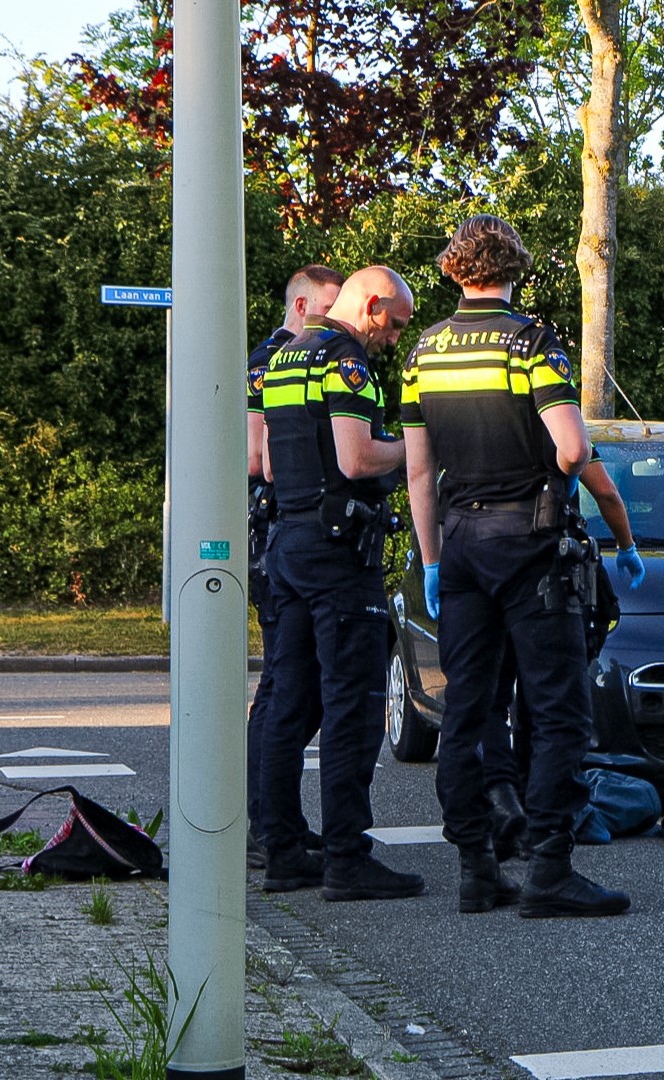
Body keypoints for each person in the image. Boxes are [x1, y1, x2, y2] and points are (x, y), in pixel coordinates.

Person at [403, 214, 630, 918]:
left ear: (452, 270)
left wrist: (435, 560)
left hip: (461, 543)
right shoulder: (532, 342)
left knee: (469, 708)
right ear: (515, 268)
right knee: (559, 711)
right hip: (530, 547)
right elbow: (569, 448)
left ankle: (476, 869)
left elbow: (417, 470)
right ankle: (550, 870)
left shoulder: (424, 350)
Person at [258, 265, 424, 902]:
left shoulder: (284, 356)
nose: (393, 340)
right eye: (395, 325)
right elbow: (357, 459)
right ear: (374, 304)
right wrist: (418, 447)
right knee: (352, 711)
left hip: (289, 545)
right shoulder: (344, 360)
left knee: (287, 704)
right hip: (337, 558)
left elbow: (271, 465)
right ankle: (348, 860)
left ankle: (281, 851)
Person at [482, 451, 644, 859]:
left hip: (478, 561)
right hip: (541, 569)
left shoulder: (470, 412)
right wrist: (627, 546)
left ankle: (498, 812)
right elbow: (605, 491)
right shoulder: (553, 419)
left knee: (489, 701)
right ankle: (542, 827)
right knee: (551, 707)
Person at [245, 264, 343, 870]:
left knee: (291, 691)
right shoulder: (274, 360)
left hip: (286, 534)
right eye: (328, 311)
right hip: (284, 533)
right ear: (303, 307)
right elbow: (262, 460)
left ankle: (276, 821)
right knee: (287, 691)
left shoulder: (285, 356)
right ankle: (269, 827)